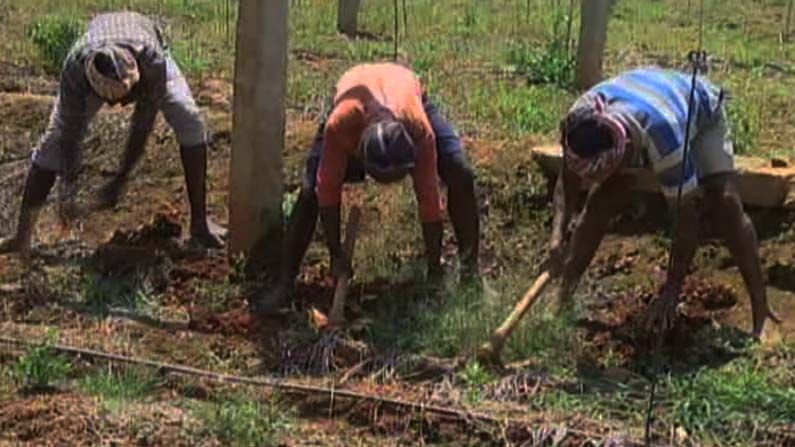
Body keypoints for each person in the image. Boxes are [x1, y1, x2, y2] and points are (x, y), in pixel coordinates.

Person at [549, 67, 779, 337]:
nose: (589, 179)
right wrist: (556, 237)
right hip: (643, 96)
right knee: (600, 202)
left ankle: (761, 310)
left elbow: (685, 218)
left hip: (700, 109)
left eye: (597, 173)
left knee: (724, 201)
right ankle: (561, 300)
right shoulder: (581, 120)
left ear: (623, 155)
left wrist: (671, 291)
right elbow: (567, 183)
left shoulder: (665, 142)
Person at [255, 62, 480, 314]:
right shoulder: (340, 125)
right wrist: (336, 254)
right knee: (309, 192)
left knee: (461, 172)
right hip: (354, 88)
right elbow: (326, 191)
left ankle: (471, 274)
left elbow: (429, 202)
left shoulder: (419, 130)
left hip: (405, 88)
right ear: (359, 154)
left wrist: (434, 271)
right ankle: (285, 283)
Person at [0, 11, 224, 258]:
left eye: (128, 97)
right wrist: (68, 191)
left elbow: (141, 126)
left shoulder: (152, 63)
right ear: (96, 90)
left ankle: (200, 224)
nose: (122, 107)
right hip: (94, 54)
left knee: (190, 120)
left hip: (147, 46)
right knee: (52, 144)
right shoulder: (75, 73)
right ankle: (22, 237)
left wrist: (121, 178)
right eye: (114, 101)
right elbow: (69, 137)